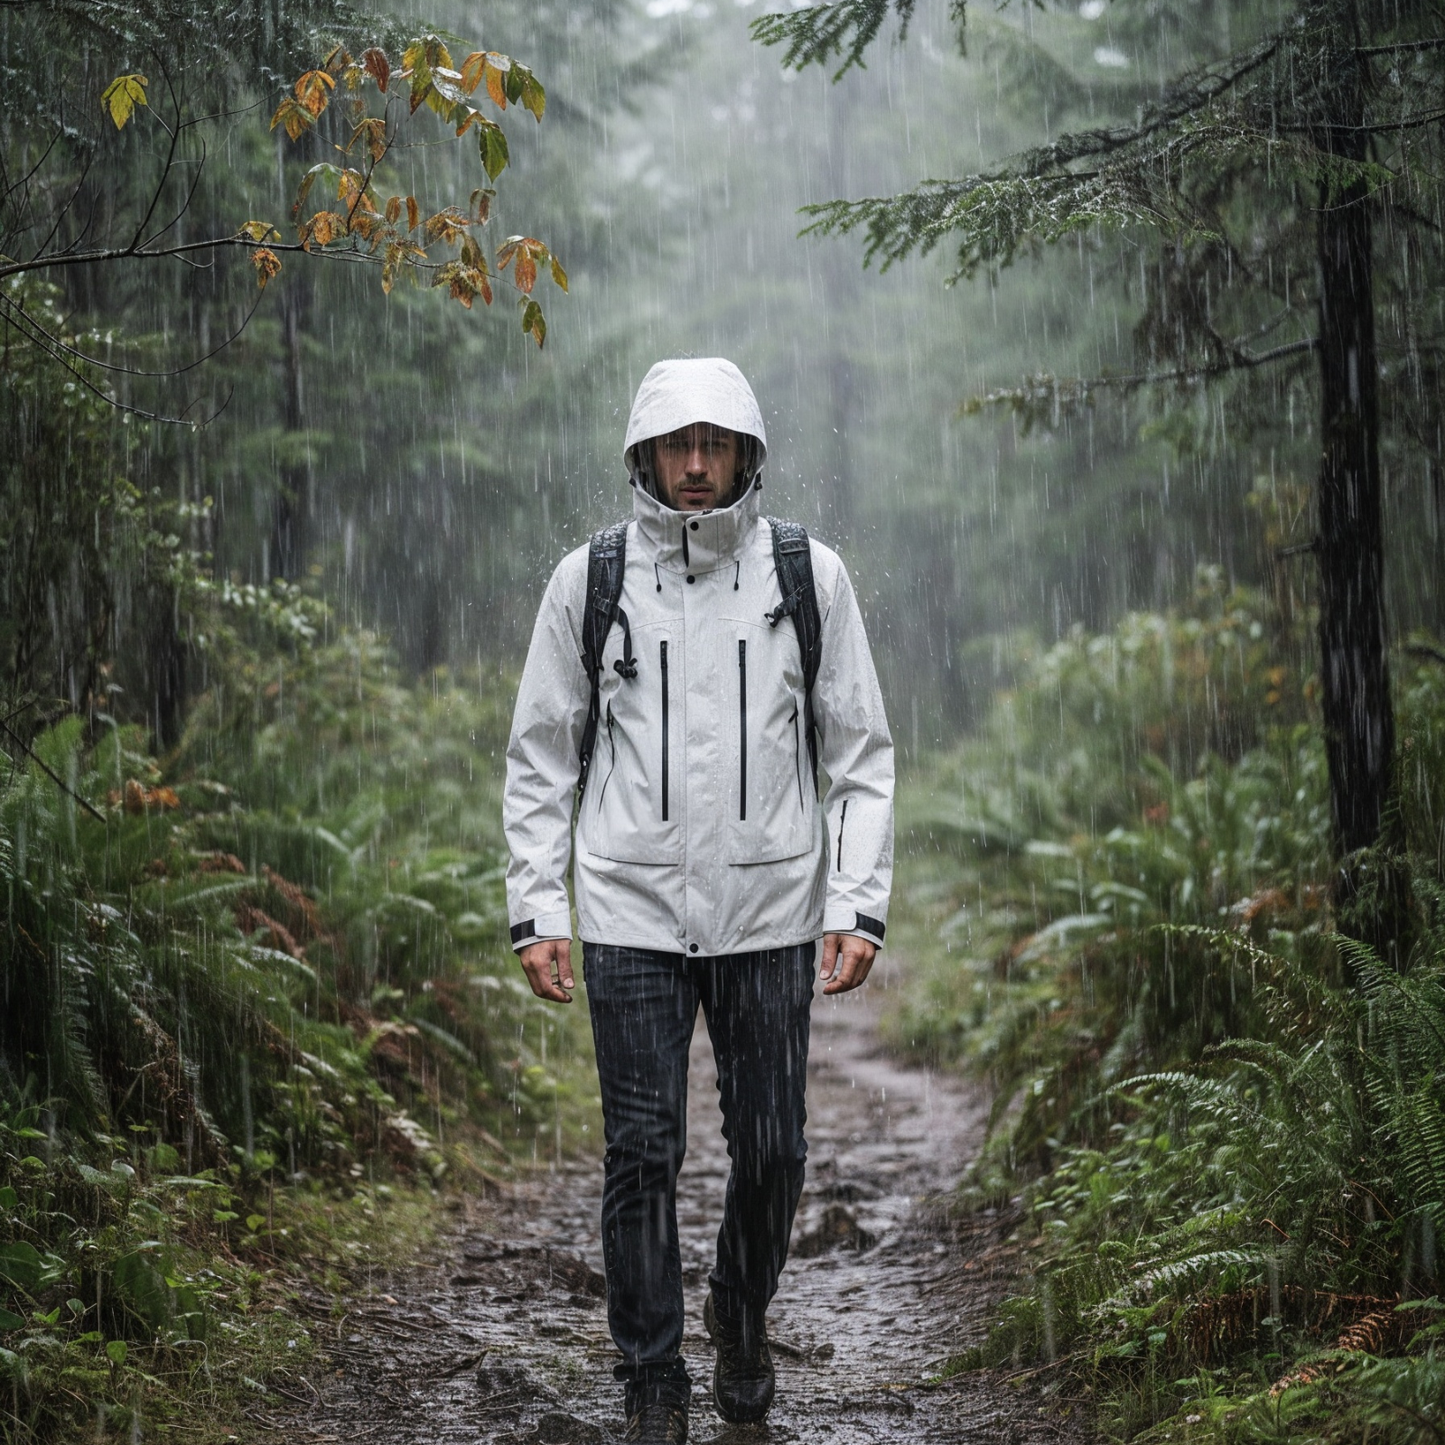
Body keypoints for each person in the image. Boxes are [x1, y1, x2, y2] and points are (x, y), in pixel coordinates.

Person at [503, 357, 894, 1444]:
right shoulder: (589, 580)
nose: (692, 464)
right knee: (641, 1150)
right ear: (643, 455)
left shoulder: (804, 577)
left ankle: (736, 1305)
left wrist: (853, 902)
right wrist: (539, 907)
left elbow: (859, 752)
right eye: (675, 446)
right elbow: (542, 755)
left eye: (712, 445)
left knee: (772, 1150)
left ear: (743, 456)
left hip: (769, 913)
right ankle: (650, 1376)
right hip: (627, 911)